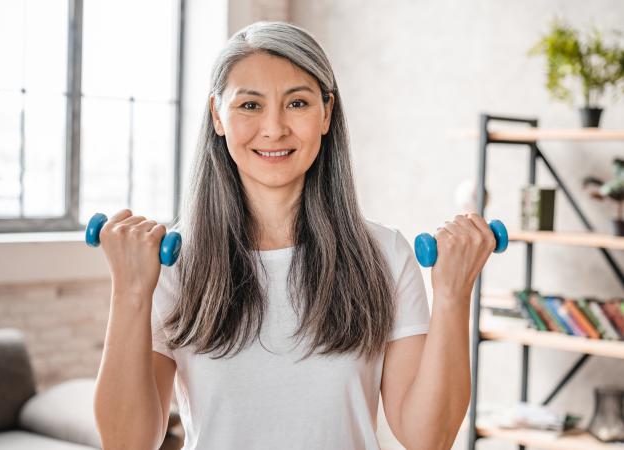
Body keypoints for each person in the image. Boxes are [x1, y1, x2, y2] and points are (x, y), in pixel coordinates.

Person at [93, 21, 497, 450]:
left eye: (297, 103)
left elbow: (428, 438)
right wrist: (131, 292)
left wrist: (453, 295)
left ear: (326, 113)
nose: (274, 128)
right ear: (217, 115)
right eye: (249, 105)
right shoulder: (175, 264)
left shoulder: (385, 254)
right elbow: (127, 444)